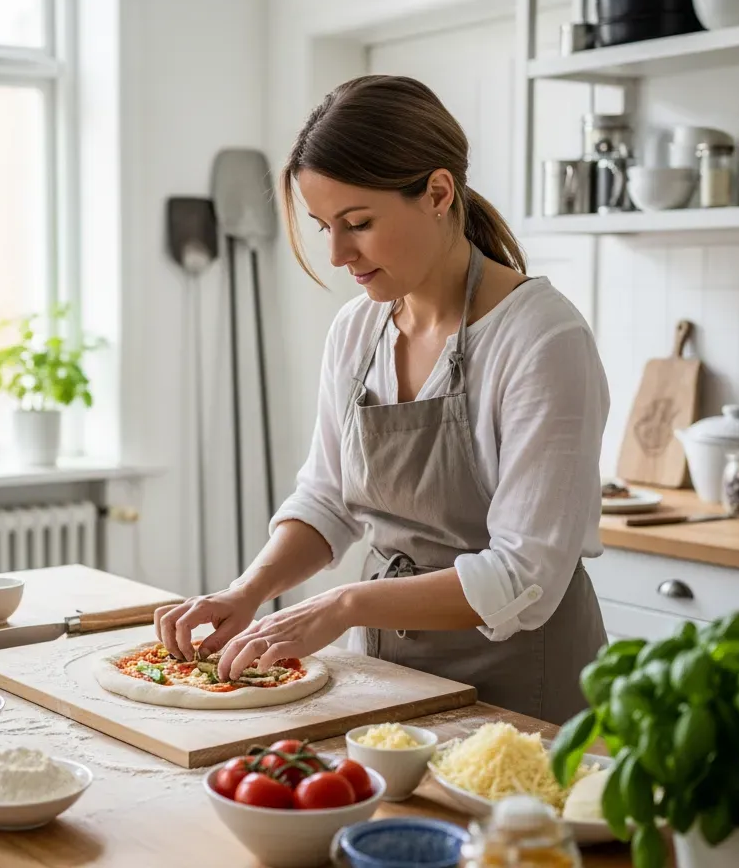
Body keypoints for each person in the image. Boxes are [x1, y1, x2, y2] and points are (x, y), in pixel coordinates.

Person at [155, 75, 609, 724]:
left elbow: (522, 579)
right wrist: (248, 590)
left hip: (520, 693)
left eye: (359, 224)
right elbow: (328, 499)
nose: (338, 254)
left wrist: (343, 606)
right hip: (386, 676)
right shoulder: (358, 330)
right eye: (324, 227)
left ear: (437, 192)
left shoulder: (541, 338)